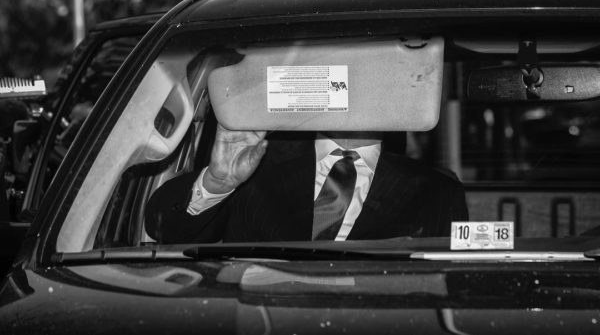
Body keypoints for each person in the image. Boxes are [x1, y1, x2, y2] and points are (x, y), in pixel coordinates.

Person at [145, 124, 468, 243]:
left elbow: (453, 293)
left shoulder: (437, 192)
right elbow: (164, 229)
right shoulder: (253, 166)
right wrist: (218, 181)